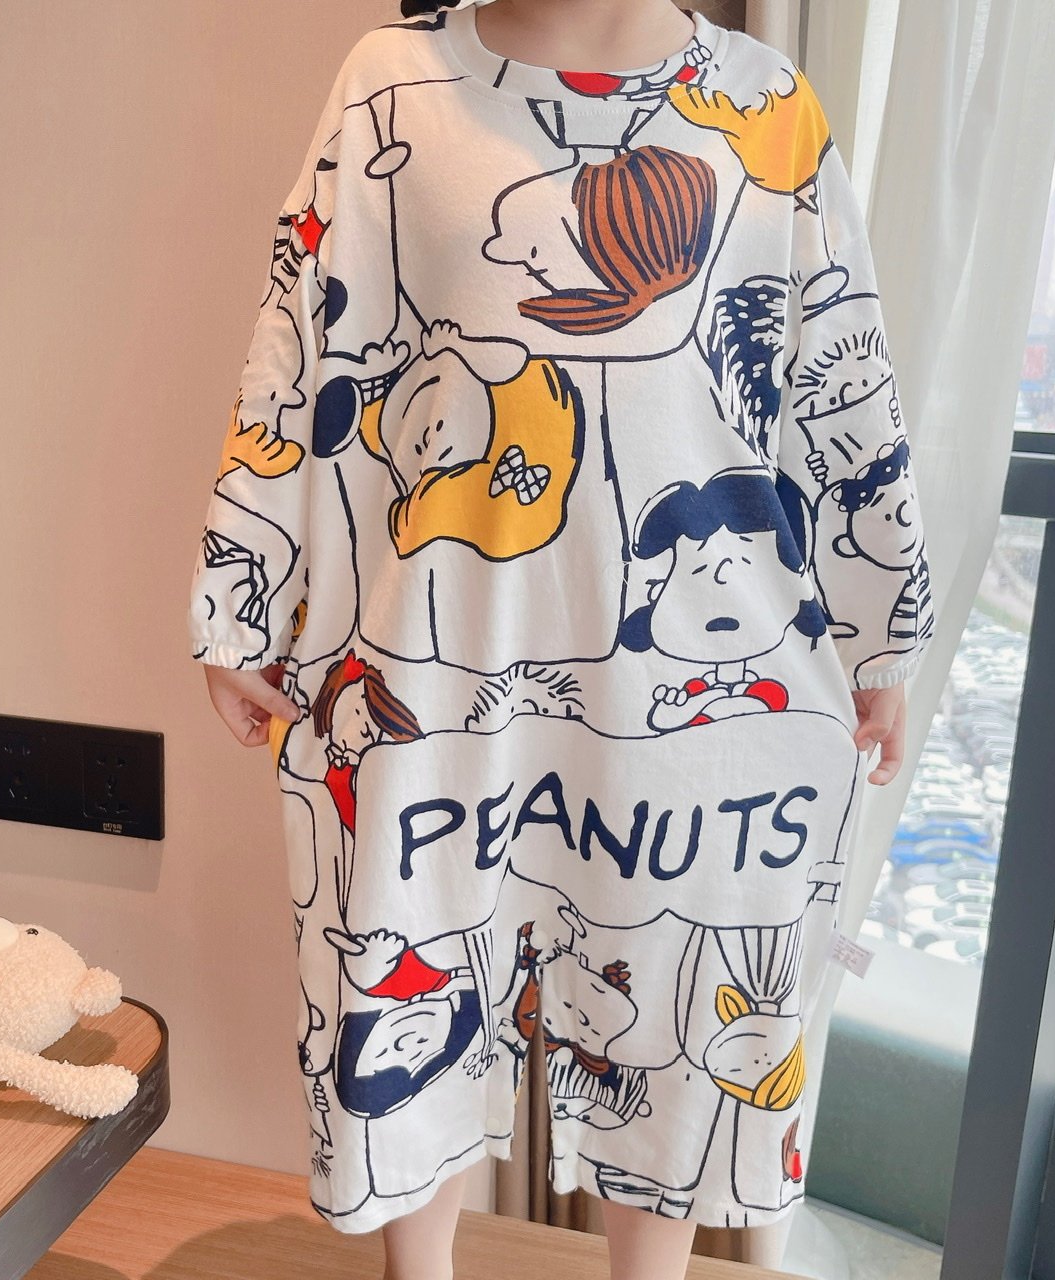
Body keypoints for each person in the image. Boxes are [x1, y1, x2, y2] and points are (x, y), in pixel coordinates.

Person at [188, 1, 937, 1277]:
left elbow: (841, 374)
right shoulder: (395, 85)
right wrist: (238, 588)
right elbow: (301, 339)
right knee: (410, 958)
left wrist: (883, 633)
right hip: (432, 664)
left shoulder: (766, 110)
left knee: (682, 984)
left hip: (702, 686)